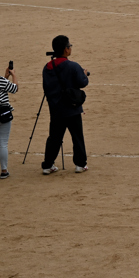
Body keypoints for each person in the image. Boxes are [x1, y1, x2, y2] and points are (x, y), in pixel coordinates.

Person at [41, 35, 90, 175]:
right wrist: (84, 74)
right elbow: (82, 83)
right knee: (77, 136)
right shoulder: (73, 66)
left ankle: (47, 165)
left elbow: (46, 87)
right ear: (65, 49)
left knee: (54, 138)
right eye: (69, 46)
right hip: (72, 107)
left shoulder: (48, 67)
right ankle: (80, 164)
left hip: (55, 108)